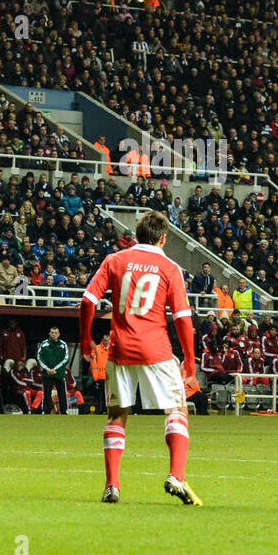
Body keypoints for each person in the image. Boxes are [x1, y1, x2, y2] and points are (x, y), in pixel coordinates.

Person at [79, 210, 200, 505]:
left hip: (119, 349)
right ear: (163, 238)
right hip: (155, 349)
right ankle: (177, 475)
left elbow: (87, 300)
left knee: (117, 415)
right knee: (177, 410)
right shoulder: (170, 267)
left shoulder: (114, 260)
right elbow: (183, 319)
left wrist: (86, 341)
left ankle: (112, 485)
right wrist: (190, 362)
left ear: (137, 235)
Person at [36, 325, 71, 414]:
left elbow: (66, 358)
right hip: (47, 373)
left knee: (62, 393)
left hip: (59, 373)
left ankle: (64, 411)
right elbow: (39, 357)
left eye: (55, 333)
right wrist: (47, 369)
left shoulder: (63, 345)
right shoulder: (44, 344)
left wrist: (55, 369)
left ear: (59, 334)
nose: (54, 334)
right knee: (46, 393)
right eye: (52, 333)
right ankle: (46, 411)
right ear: (49, 333)